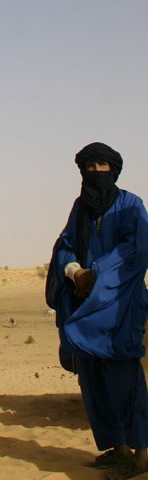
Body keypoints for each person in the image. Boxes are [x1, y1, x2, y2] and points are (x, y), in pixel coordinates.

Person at [46, 142, 148, 480]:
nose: (96, 173)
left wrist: (97, 274)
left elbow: (136, 251)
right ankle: (115, 449)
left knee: (126, 381)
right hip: (84, 304)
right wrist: (75, 272)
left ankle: (142, 455)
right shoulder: (81, 209)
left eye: (102, 166)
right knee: (92, 382)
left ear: (114, 171)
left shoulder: (132, 206)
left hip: (121, 306)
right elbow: (65, 245)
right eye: (90, 167)